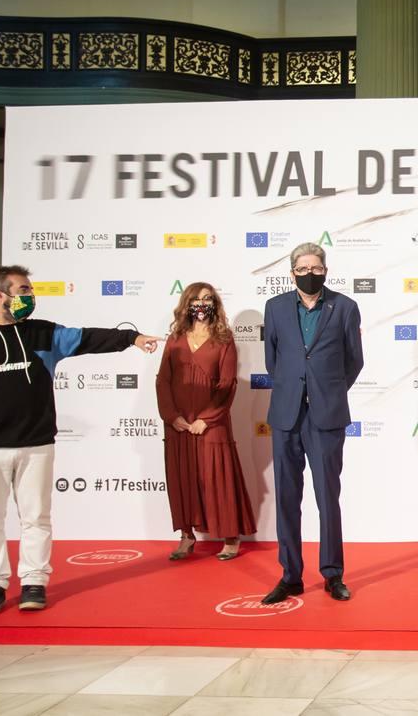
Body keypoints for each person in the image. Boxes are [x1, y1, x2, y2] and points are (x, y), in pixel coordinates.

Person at [0, 266, 160, 616]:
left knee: (36, 518)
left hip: (36, 444)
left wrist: (130, 339)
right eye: (23, 290)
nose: (31, 296)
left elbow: (85, 338)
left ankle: (34, 582)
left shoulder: (41, 333)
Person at [262, 242, 364, 605]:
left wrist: (327, 391)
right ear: (292, 273)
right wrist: (296, 388)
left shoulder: (346, 308)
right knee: (287, 498)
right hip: (287, 415)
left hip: (327, 416)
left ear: (325, 270)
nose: (310, 274)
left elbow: (354, 362)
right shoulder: (274, 308)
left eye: (316, 268)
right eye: (303, 269)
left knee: (327, 497)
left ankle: (332, 574)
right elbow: (273, 361)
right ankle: (290, 576)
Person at [155, 282, 257, 562]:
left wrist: (207, 418)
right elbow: (163, 380)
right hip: (178, 422)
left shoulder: (224, 339)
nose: (203, 304)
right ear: (187, 304)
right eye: (197, 299)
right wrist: (171, 416)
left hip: (212, 422)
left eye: (208, 299)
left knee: (218, 478)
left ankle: (230, 536)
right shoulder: (175, 337)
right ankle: (187, 536)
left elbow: (227, 384)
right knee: (182, 477)